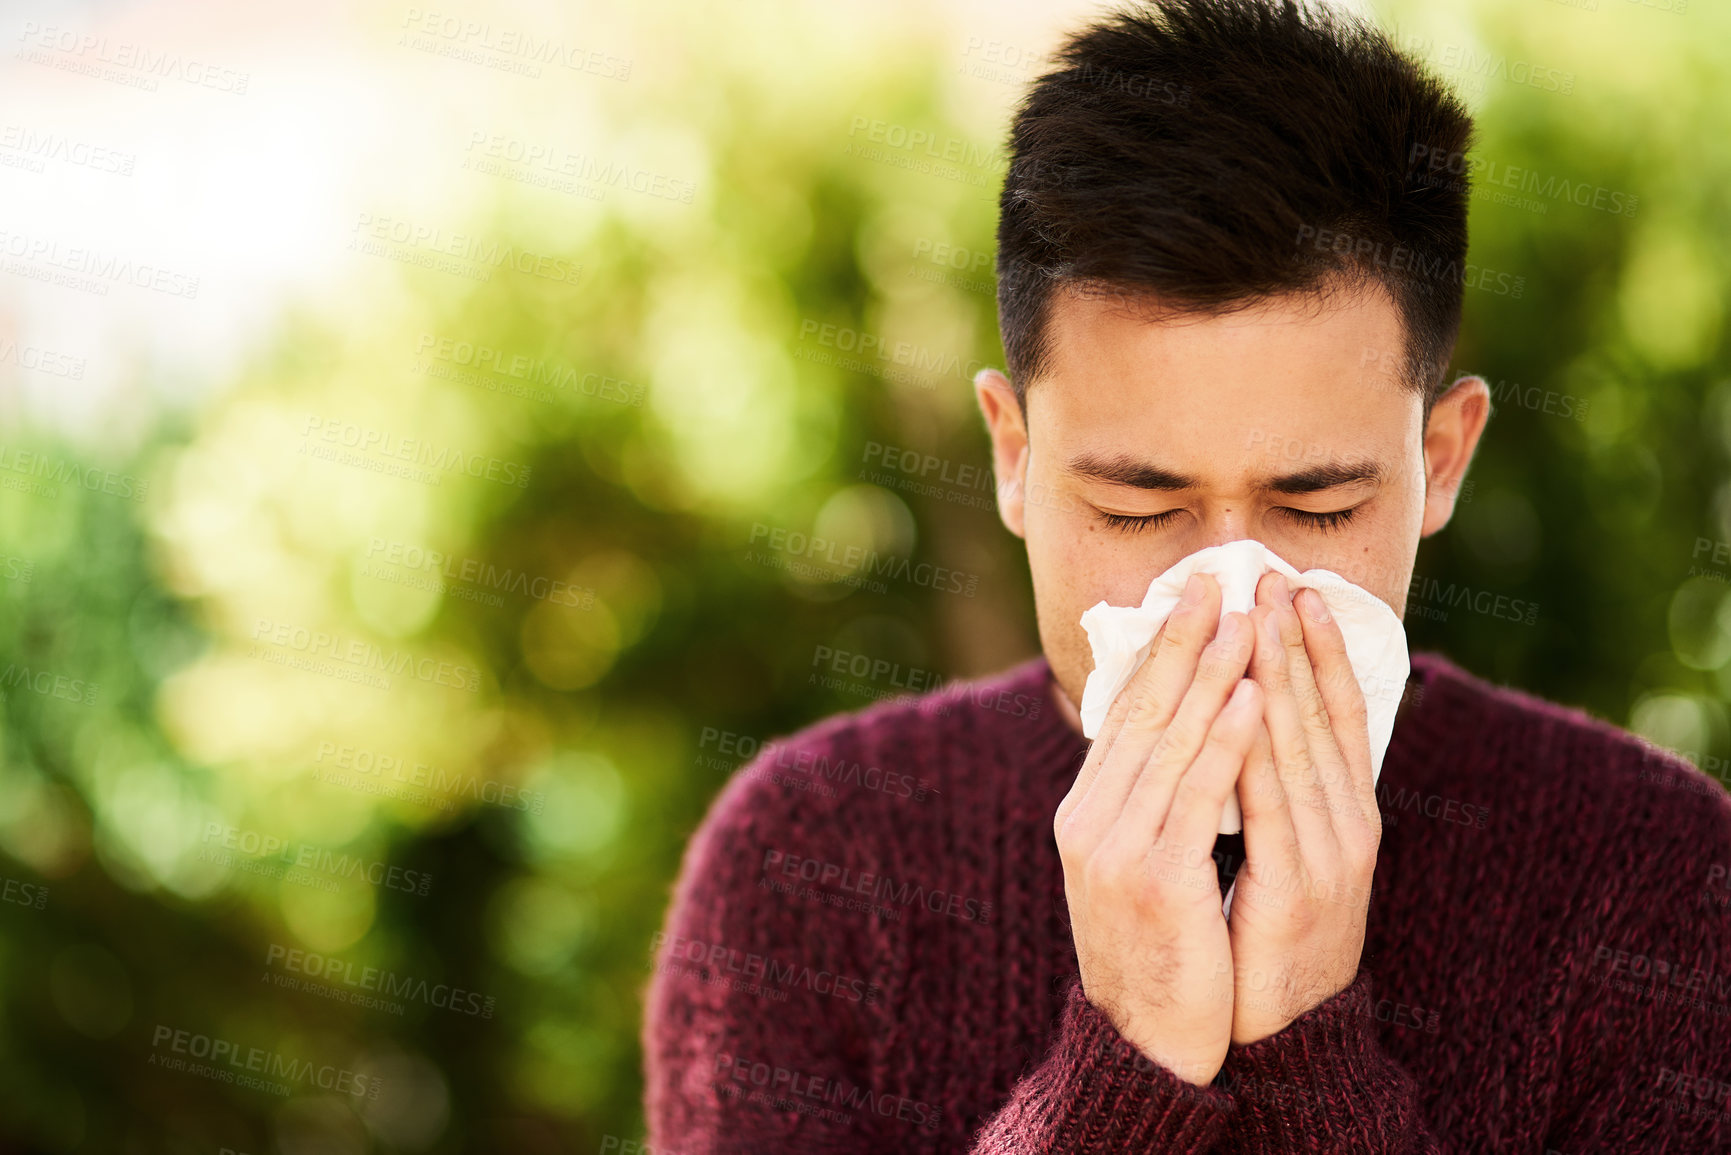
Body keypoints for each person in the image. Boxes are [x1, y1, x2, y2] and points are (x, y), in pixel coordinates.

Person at [643, 0, 1731, 1149]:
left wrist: (1309, 1049)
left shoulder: (1655, 878)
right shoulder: (810, 863)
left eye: (1318, 505)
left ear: (1441, 462)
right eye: (1138, 505)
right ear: (1014, 460)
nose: (1228, 590)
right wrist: (1125, 1056)